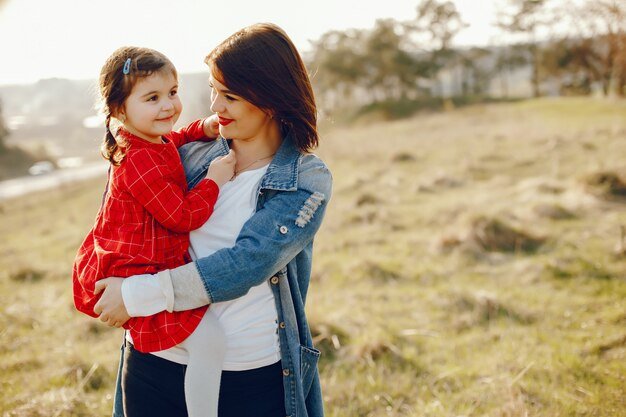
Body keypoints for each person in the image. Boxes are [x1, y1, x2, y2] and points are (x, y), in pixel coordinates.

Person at [94, 23, 333, 417]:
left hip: (248, 376)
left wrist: (134, 296)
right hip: (155, 359)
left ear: (270, 99)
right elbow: (126, 218)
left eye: (230, 96)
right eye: (212, 90)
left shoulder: (305, 179)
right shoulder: (190, 155)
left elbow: (245, 264)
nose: (215, 107)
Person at [72, 46, 235, 417]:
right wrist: (214, 180)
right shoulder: (139, 161)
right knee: (209, 340)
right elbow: (181, 216)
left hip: (148, 261)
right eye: (152, 98)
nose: (168, 106)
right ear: (118, 109)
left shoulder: (145, 139)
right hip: (136, 267)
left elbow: (172, 142)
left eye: (173, 93)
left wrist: (201, 127)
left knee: (201, 342)